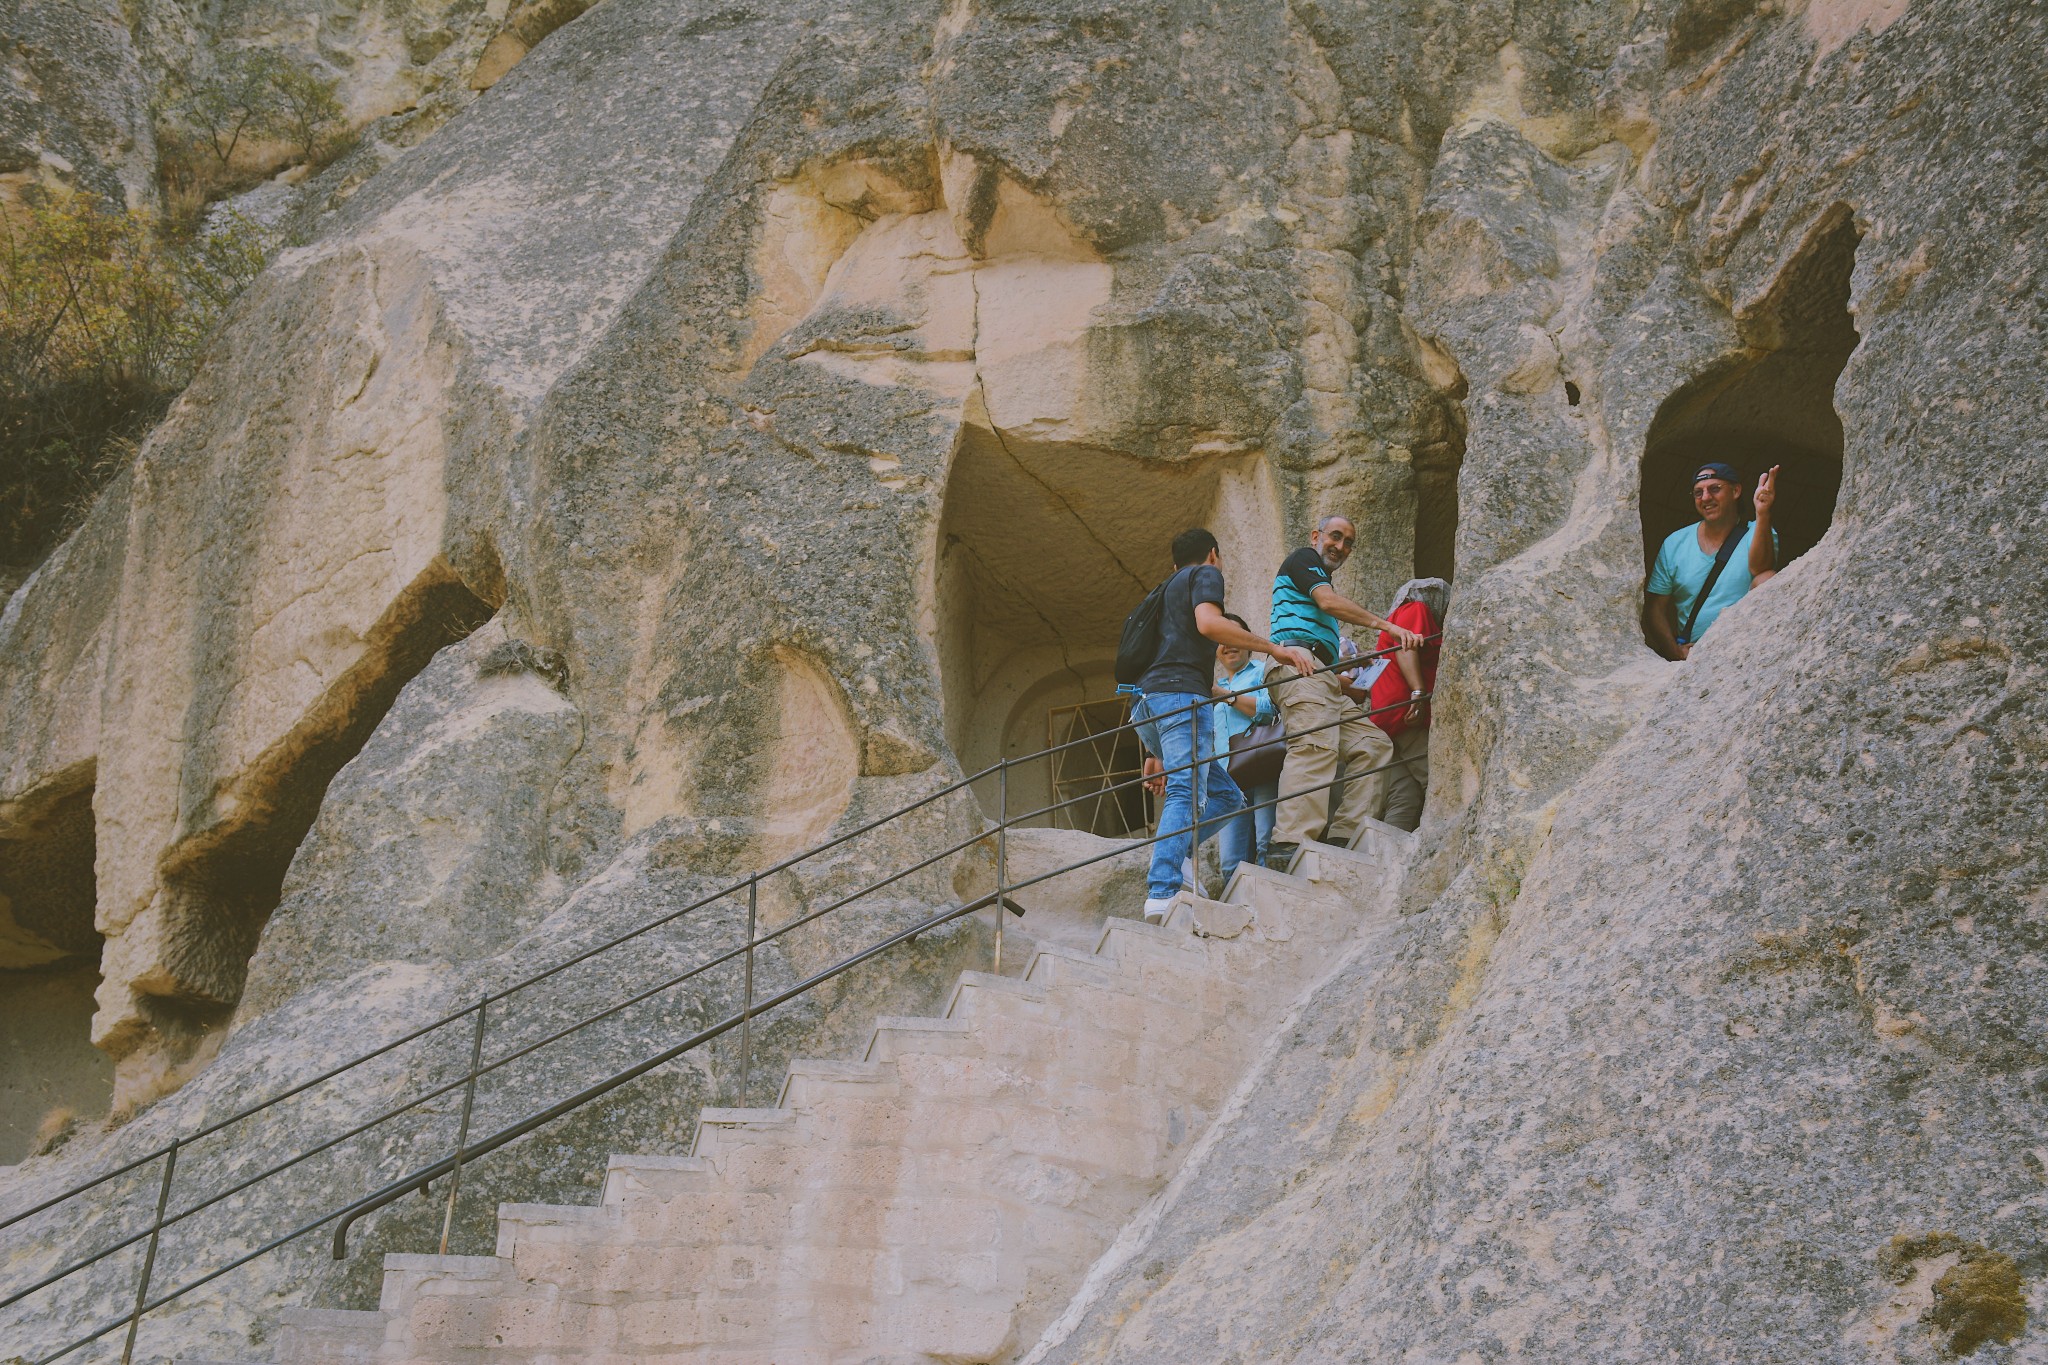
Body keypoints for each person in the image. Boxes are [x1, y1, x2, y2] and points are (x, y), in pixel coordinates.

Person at [1131, 529, 1318, 922]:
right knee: (1186, 789)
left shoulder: (1163, 591)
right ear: (1213, 555)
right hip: (1181, 697)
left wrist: (1154, 749)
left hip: (1145, 704)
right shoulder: (1204, 575)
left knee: (1228, 799)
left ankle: (1176, 855)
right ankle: (1163, 890)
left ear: (1173, 563)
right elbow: (1209, 624)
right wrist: (1274, 649)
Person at [1263, 515, 1426, 870]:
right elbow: (1328, 602)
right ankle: (1288, 844)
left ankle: (1344, 836)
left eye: (1349, 542)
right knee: (1314, 748)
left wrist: (1346, 677)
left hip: (1319, 675)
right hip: (1299, 664)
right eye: (1335, 537)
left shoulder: (1315, 590)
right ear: (1316, 536)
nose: (1341, 547)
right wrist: (1388, 627)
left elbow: (1321, 630)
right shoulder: (1303, 560)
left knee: (1373, 745)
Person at [1643, 461, 1780, 661]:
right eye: (1698, 493)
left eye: (1715, 489)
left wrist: (1762, 512)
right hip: (1695, 652)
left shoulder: (1757, 532)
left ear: (1735, 491)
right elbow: (1655, 608)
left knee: (1767, 579)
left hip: (1744, 645)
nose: (1706, 498)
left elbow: (1762, 569)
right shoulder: (1675, 543)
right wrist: (1675, 651)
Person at [1368, 578, 1449, 833]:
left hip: (1387, 718)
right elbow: (1406, 647)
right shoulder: (1415, 609)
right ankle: (1443, 835)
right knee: (1436, 780)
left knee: (1406, 795)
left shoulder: (1394, 619)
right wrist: (1418, 692)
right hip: (1406, 714)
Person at [1211, 614, 1278, 881]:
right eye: (1221, 640)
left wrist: (1226, 698)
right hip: (1228, 779)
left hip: (1262, 766)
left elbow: (1269, 710)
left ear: (1249, 643)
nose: (1228, 645)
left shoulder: (1262, 671)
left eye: (1234, 637)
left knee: (1266, 843)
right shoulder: (1213, 686)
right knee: (1230, 862)